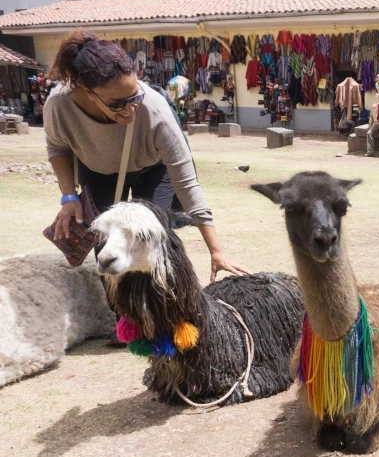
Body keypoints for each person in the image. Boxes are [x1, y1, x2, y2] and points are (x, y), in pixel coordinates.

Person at [46, 31, 250, 284]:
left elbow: (187, 184)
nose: (131, 109)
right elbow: (57, 147)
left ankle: (160, 310)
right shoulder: (59, 104)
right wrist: (69, 196)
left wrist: (217, 251)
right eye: (118, 103)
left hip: (153, 169)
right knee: (107, 252)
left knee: (152, 238)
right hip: (97, 171)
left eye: (135, 97)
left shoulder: (155, 109)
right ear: (88, 92)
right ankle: (119, 317)